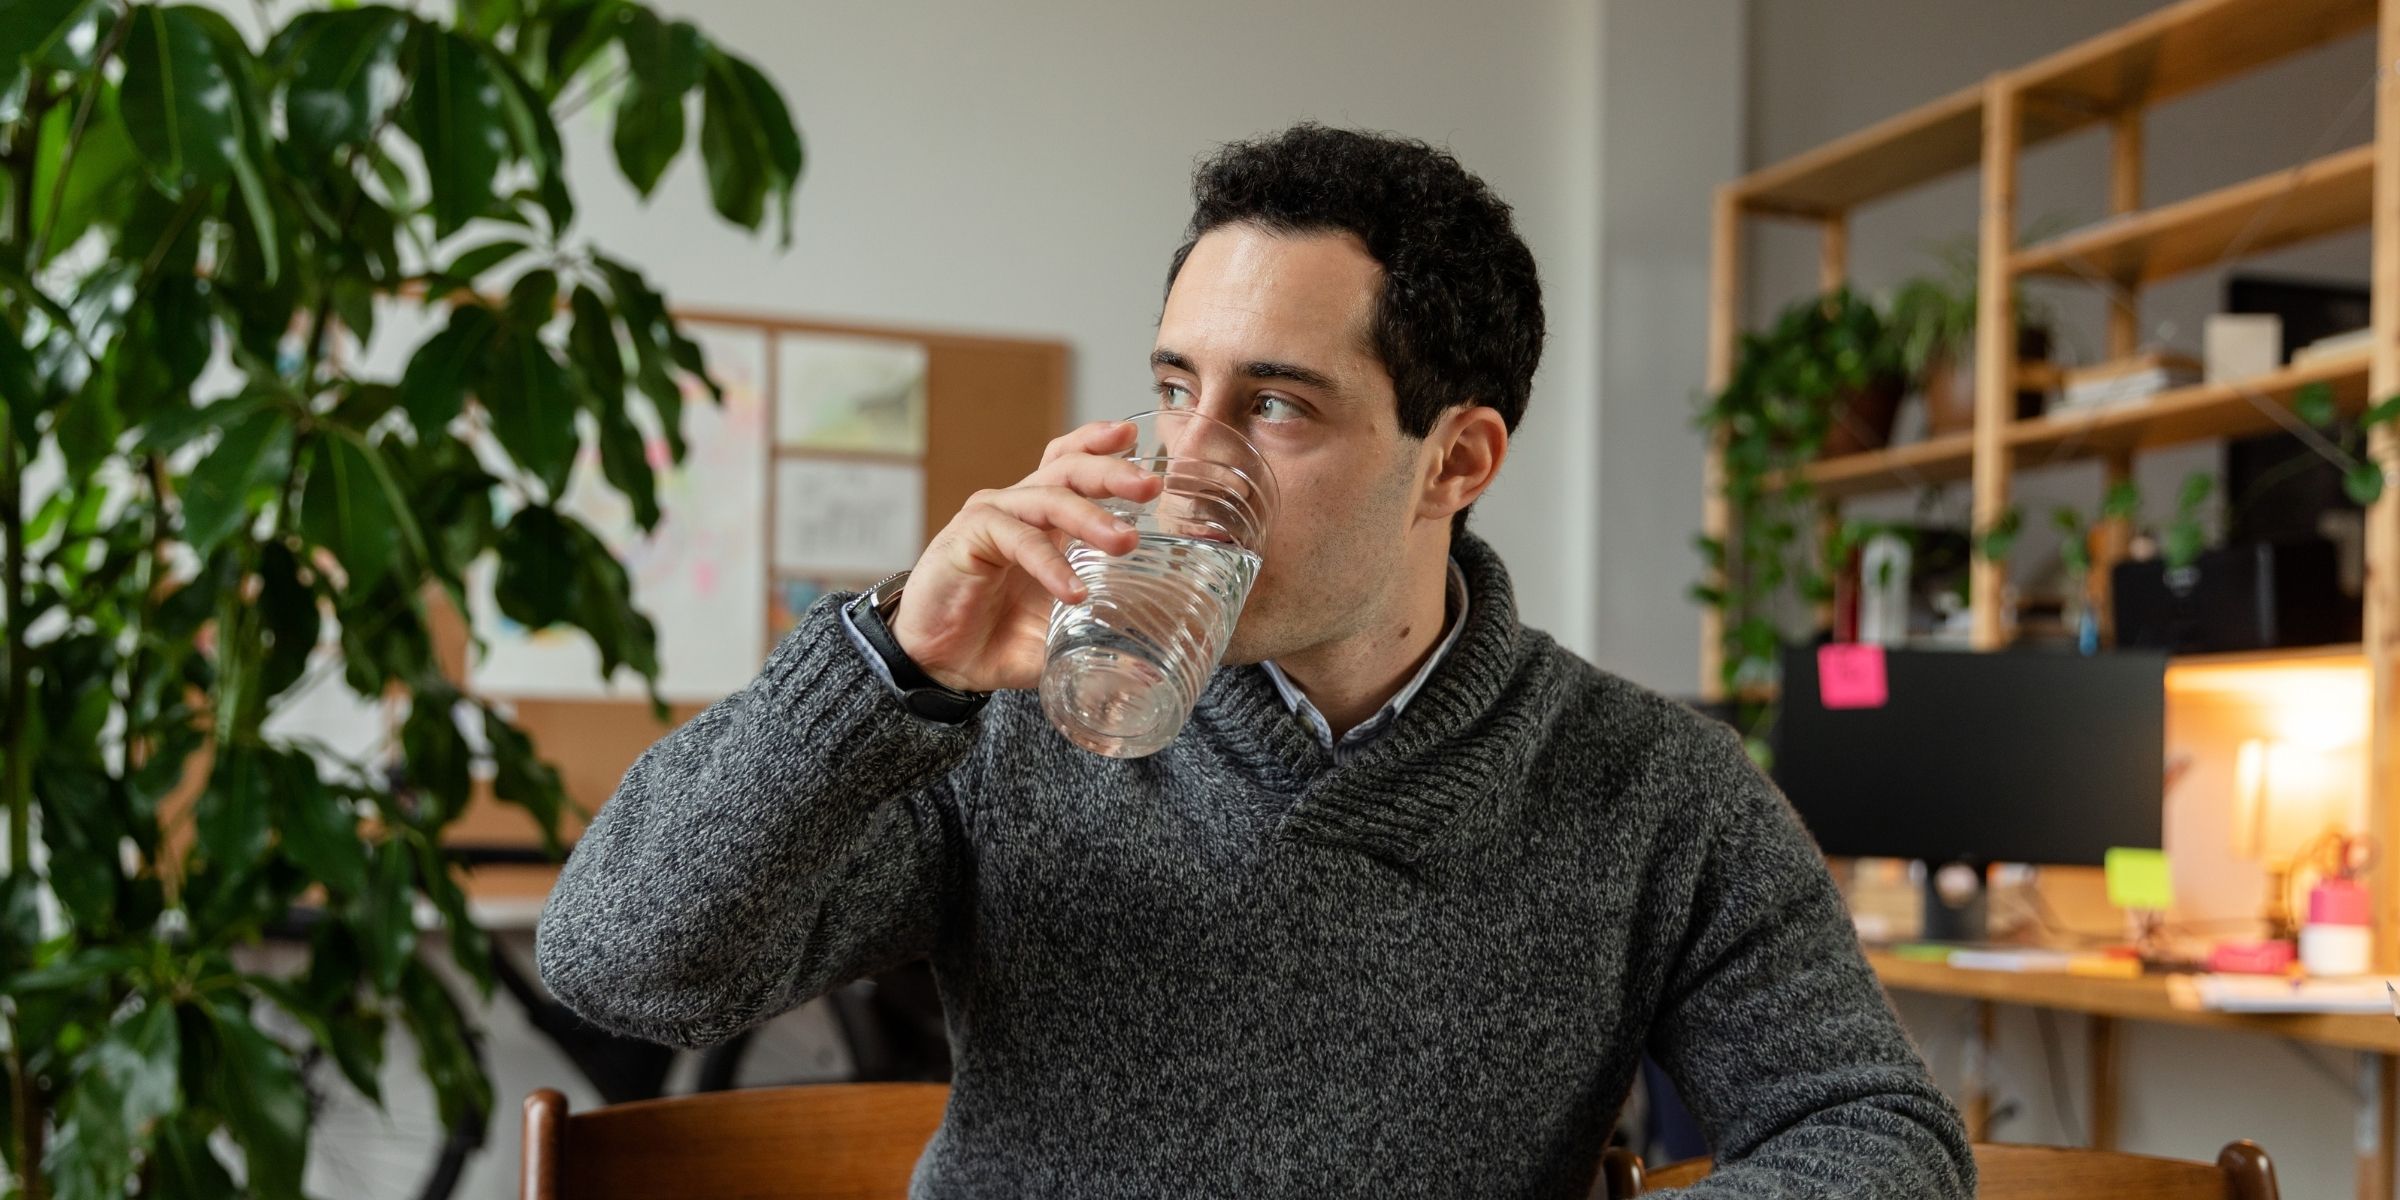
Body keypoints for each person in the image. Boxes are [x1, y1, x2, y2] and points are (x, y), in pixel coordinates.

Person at [536, 123, 1974, 1199]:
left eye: (1276, 408)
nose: (1190, 462)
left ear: (1456, 461)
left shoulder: (1651, 786)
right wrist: (884, 668)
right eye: (1176, 388)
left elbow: (1876, 1131)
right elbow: (618, 966)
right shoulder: (995, 724)